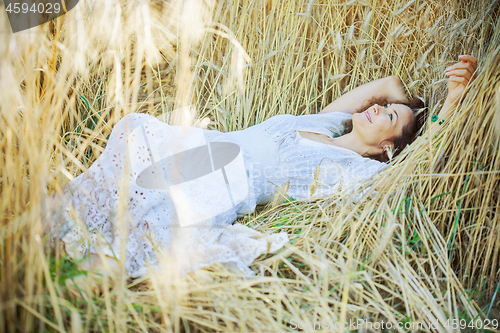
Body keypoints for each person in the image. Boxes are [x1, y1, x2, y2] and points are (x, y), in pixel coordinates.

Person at [51, 55, 478, 278]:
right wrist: (407, 106)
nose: (379, 108)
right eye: (382, 109)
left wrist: (451, 102)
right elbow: (383, 86)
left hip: (223, 184)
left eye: (387, 117)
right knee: (114, 175)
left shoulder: (355, 169)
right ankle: (42, 250)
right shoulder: (327, 123)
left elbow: (418, 165)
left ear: (387, 148)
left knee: (139, 229)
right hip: (203, 145)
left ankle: (68, 286)